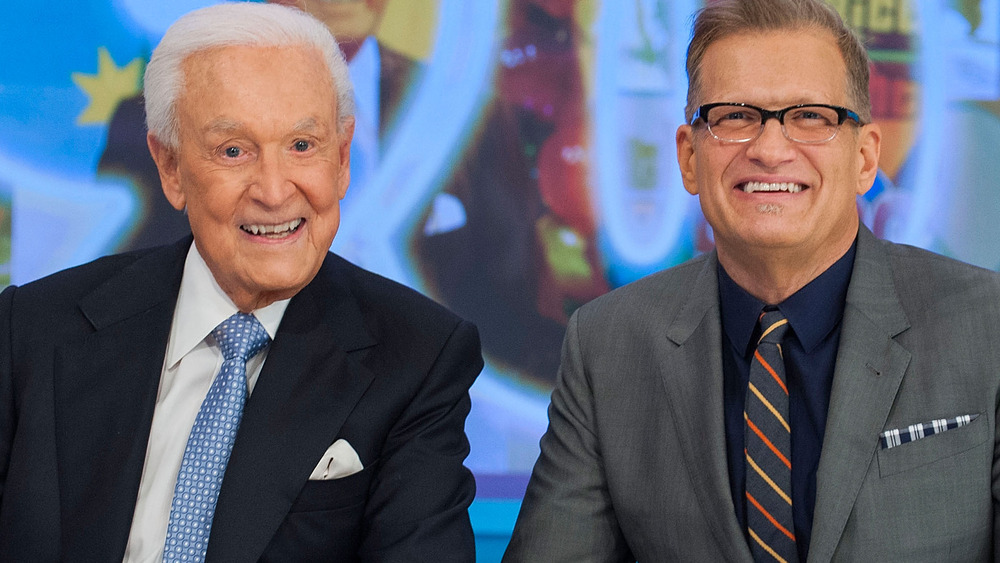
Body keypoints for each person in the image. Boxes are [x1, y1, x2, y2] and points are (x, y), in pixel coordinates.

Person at [504, 0, 1000, 561]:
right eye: (734, 116)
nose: (768, 149)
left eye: (811, 116)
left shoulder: (989, 327)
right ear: (689, 159)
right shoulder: (608, 343)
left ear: (865, 160)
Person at [0, 3, 482, 561]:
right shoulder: (30, 330)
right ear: (171, 168)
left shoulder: (418, 358)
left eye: (302, 146)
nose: (275, 192)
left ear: (343, 157)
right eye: (234, 151)